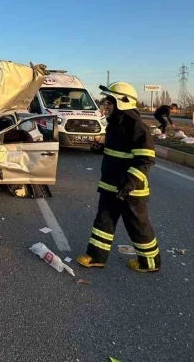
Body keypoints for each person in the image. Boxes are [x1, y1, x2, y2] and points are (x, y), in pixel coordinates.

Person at [77, 82, 161, 273]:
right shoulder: (115, 124)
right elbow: (117, 152)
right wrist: (100, 150)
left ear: (122, 102)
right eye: (106, 101)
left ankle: (150, 263)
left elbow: (145, 160)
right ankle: (96, 257)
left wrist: (128, 184)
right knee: (103, 221)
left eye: (110, 102)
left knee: (137, 226)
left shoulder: (138, 128)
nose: (106, 105)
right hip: (110, 185)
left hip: (131, 189)